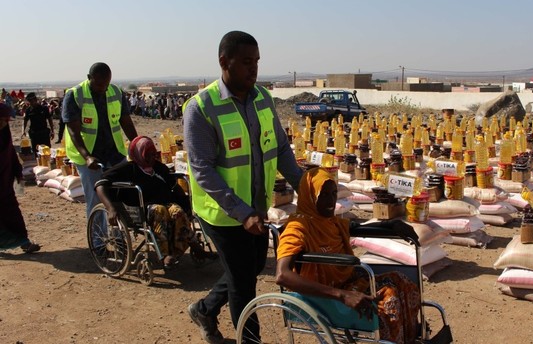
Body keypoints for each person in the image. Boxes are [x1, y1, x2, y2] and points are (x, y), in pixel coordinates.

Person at [184, 30, 303, 344]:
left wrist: (305, 186)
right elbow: (202, 170)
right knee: (243, 283)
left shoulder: (261, 98)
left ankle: (205, 309)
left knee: (248, 268)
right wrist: (240, 212)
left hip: (256, 207)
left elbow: (279, 148)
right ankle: (249, 340)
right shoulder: (201, 108)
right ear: (225, 62)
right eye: (246, 62)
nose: (254, 69)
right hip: (223, 214)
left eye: (257, 62)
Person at [276, 167, 420, 344]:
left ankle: (409, 337)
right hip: (326, 294)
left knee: (401, 281)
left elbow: (354, 227)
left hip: (347, 282)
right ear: (311, 196)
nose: (331, 200)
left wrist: (391, 225)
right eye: (324, 195)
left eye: (334, 193)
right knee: (389, 296)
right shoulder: (297, 228)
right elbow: (282, 275)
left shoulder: (330, 221)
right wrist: (342, 295)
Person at [95, 136, 214, 267]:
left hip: (165, 202)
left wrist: (186, 206)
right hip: (140, 208)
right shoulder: (128, 169)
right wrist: (110, 208)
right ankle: (163, 254)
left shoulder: (159, 168)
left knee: (177, 211)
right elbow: (100, 184)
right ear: (139, 154)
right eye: (148, 154)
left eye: (154, 154)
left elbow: (175, 186)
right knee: (159, 210)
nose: (152, 158)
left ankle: (195, 248)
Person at [61, 62, 138, 219]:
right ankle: (98, 242)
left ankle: (119, 239)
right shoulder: (75, 95)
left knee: (120, 196)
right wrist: (87, 156)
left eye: (106, 83)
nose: (103, 88)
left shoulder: (116, 92)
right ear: (89, 78)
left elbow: (126, 122)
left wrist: (138, 144)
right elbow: (73, 131)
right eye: (99, 84)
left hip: (114, 152)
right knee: (97, 199)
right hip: (89, 156)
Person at [0, 103, 41, 253]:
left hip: (4, 183)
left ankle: (24, 242)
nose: (4, 124)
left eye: (5, 121)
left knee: (12, 213)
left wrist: (18, 173)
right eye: (1, 120)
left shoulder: (4, 134)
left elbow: (10, 154)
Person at [22, 92, 54, 157]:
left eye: (32, 100)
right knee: (36, 151)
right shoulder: (28, 110)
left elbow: (50, 120)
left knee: (46, 150)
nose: (31, 102)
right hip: (34, 133)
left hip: (44, 132)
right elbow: (25, 121)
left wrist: (52, 131)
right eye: (29, 101)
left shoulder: (44, 108)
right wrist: (23, 131)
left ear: (35, 100)